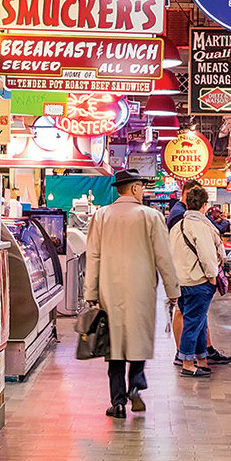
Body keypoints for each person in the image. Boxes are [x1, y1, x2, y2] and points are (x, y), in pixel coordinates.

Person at [83, 168, 180, 418]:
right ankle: (136, 385)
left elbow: (92, 256)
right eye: (142, 187)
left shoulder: (101, 215)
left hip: (109, 290)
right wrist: (173, 290)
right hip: (141, 289)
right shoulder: (151, 216)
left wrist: (90, 292)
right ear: (135, 188)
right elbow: (164, 257)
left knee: (114, 345)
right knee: (137, 339)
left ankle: (117, 402)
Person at [170, 185, 226, 377]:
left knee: (199, 322)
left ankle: (202, 360)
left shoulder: (179, 225)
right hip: (198, 282)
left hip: (182, 282)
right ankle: (187, 364)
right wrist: (212, 278)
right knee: (193, 324)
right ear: (204, 205)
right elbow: (207, 255)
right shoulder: (201, 226)